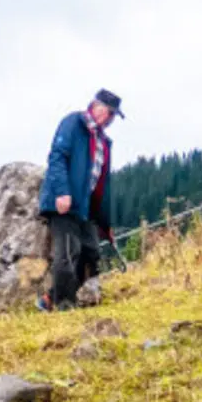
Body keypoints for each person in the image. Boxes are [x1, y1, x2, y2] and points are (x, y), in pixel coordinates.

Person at [37, 88, 123, 310]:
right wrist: (62, 192)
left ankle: (51, 298)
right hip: (63, 203)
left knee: (91, 252)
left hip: (85, 208)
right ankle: (65, 306)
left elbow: (101, 185)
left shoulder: (104, 142)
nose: (111, 119)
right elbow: (57, 157)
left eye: (114, 116)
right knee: (68, 252)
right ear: (96, 107)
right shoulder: (74, 123)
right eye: (110, 113)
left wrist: (105, 224)